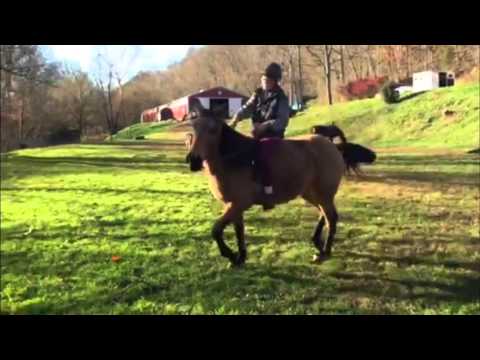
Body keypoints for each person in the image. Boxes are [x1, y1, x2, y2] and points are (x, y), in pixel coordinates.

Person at [230, 62, 290, 210]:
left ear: (275, 82)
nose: (264, 82)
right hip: (257, 134)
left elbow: (283, 120)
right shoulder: (257, 93)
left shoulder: (281, 98)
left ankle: (269, 195)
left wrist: (265, 125)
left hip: (273, 136)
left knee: (263, 157)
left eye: (267, 80)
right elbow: (247, 108)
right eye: (263, 79)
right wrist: (235, 119)